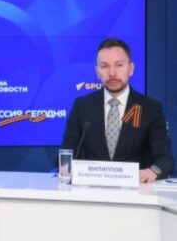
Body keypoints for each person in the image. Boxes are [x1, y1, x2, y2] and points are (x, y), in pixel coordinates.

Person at [62, 38, 173, 182]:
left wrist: (153, 171)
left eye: (119, 65)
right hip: (92, 189)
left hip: (136, 190)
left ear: (131, 69)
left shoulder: (150, 108)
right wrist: (65, 167)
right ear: (97, 71)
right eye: (104, 66)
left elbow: (165, 159)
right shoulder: (82, 106)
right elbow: (66, 155)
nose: (112, 73)